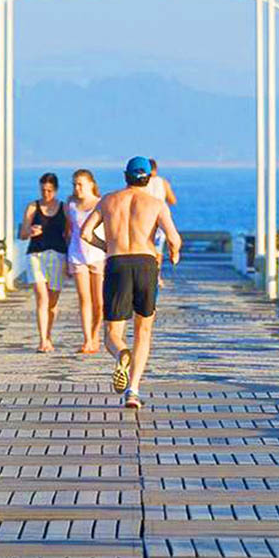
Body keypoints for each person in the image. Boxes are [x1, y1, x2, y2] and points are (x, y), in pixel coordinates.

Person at [81, 156, 181, 409]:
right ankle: (133, 391)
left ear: (125, 175)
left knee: (113, 334)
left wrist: (107, 246)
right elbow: (173, 238)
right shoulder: (156, 203)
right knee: (143, 331)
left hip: (117, 264)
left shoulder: (108, 200)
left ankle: (121, 354)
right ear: (148, 178)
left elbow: (85, 233)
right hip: (146, 264)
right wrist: (174, 254)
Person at [18, 173, 67, 353]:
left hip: (57, 256)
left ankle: (49, 335)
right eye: (43, 190)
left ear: (55, 190)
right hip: (36, 255)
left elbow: (69, 234)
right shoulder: (33, 207)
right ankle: (42, 340)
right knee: (42, 297)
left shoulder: (64, 208)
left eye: (49, 190)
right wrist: (30, 231)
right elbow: (22, 234)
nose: (46, 194)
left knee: (52, 303)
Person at [66, 169, 106, 355]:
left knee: (99, 301)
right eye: (74, 184)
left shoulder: (101, 203)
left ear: (91, 184)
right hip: (77, 254)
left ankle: (95, 333)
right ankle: (87, 339)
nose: (77, 187)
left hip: (97, 255)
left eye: (80, 184)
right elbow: (69, 230)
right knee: (84, 299)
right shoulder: (71, 204)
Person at [144, 159, 177, 284]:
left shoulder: (141, 183)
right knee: (158, 250)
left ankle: (147, 275)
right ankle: (156, 275)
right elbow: (172, 200)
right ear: (156, 169)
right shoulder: (163, 183)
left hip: (144, 218)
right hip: (159, 219)